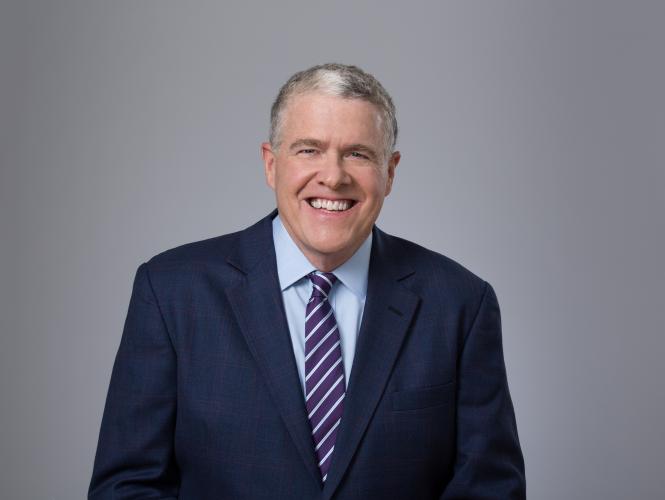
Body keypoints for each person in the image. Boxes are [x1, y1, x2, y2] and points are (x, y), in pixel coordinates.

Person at [89, 63, 526, 499]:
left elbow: (489, 489)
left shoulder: (460, 305)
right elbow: (127, 487)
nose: (333, 176)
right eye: (309, 150)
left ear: (390, 172)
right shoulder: (172, 292)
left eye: (358, 154)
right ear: (271, 164)